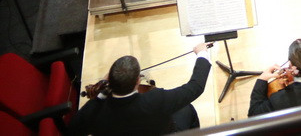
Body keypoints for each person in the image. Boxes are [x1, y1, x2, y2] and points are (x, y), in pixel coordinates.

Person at [69, 42, 211, 134]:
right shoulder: (155, 100)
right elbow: (195, 87)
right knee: (186, 108)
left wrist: (100, 95)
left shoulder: (93, 110)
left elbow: (73, 129)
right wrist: (202, 53)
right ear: (137, 81)